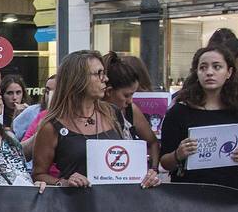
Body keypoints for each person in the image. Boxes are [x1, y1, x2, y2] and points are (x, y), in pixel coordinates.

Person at [33, 51, 160, 188]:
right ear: (77, 79)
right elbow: (38, 174)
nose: (105, 78)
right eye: (98, 73)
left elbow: (127, 165)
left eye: (104, 73)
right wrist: (63, 183)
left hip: (117, 198)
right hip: (76, 200)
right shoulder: (52, 125)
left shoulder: (113, 113)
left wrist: (147, 176)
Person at [159, 45, 238, 191]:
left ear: (229, 72)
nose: (209, 72)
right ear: (196, 73)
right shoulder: (178, 112)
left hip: (232, 192)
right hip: (189, 193)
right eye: (203, 68)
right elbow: (164, 162)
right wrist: (178, 154)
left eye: (217, 67)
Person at [102, 53, 160, 168]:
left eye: (132, 94)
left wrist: (153, 169)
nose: (130, 101)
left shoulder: (131, 110)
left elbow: (153, 142)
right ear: (109, 91)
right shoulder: (90, 113)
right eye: (126, 95)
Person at [13, 74, 55, 139]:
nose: (50, 95)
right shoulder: (32, 111)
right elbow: (17, 139)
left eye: (55, 91)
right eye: (47, 91)